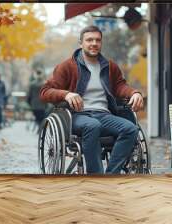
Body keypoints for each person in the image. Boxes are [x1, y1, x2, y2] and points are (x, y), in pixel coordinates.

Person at [39, 25, 144, 174]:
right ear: (81, 43)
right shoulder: (67, 66)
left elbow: (120, 86)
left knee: (130, 129)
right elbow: (44, 92)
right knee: (92, 125)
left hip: (104, 115)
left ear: (101, 43)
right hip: (77, 116)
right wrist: (66, 94)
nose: (94, 43)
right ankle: (95, 176)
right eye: (89, 40)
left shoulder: (109, 66)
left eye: (97, 40)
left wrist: (135, 93)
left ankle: (111, 175)